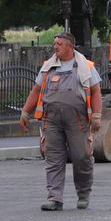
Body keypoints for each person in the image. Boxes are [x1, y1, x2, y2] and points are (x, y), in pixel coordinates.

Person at [19, 32, 103, 211]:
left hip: (78, 120)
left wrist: (96, 115)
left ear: (70, 46)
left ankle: (83, 194)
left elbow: (95, 91)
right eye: (54, 43)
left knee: (81, 157)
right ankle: (54, 198)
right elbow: (36, 90)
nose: (55, 47)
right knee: (53, 158)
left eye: (59, 44)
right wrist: (26, 112)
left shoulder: (85, 66)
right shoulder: (48, 67)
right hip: (52, 120)